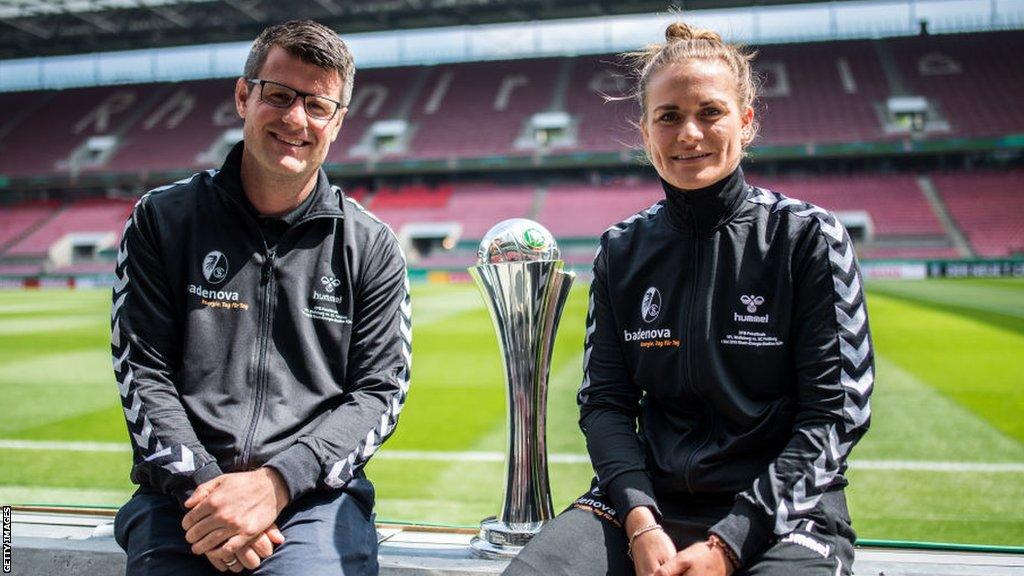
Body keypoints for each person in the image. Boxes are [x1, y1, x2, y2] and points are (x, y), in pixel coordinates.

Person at [504, 21, 872, 576]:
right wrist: (639, 517)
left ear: (746, 122)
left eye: (711, 112)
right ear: (645, 131)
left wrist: (729, 542)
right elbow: (605, 403)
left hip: (784, 514)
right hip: (644, 505)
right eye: (669, 116)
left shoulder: (807, 238)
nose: (689, 134)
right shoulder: (622, 249)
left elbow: (836, 412)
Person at [110, 20, 411, 575]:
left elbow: (379, 393)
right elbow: (143, 374)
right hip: (179, 495)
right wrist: (213, 494)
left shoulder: (371, 245)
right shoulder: (162, 219)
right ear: (244, 96)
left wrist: (275, 484)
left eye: (318, 105)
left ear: (338, 122)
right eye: (279, 96)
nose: (296, 119)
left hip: (314, 499)